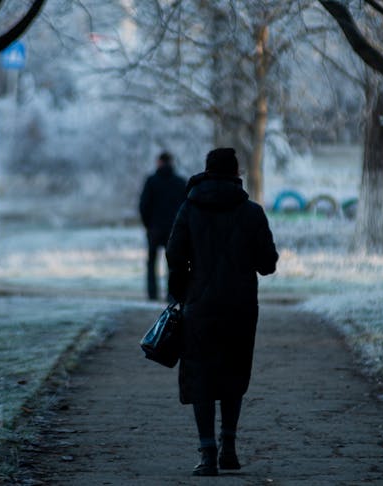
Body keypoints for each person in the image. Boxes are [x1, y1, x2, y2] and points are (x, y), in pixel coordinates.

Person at [166, 148, 278, 476]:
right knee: (233, 373)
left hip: (199, 306)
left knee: (201, 374)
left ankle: (207, 453)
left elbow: (174, 254)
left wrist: (183, 288)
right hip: (240, 307)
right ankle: (229, 448)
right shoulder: (252, 212)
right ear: (236, 173)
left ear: (206, 170)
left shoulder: (188, 208)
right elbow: (267, 264)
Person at [139, 152, 186, 300]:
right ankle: (171, 294)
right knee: (172, 263)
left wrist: (148, 224)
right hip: (174, 229)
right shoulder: (180, 182)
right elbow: (186, 207)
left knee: (152, 262)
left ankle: (152, 294)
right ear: (171, 162)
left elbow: (143, 206)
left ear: (159, 162)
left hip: (155, 229)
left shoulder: (151, 181)